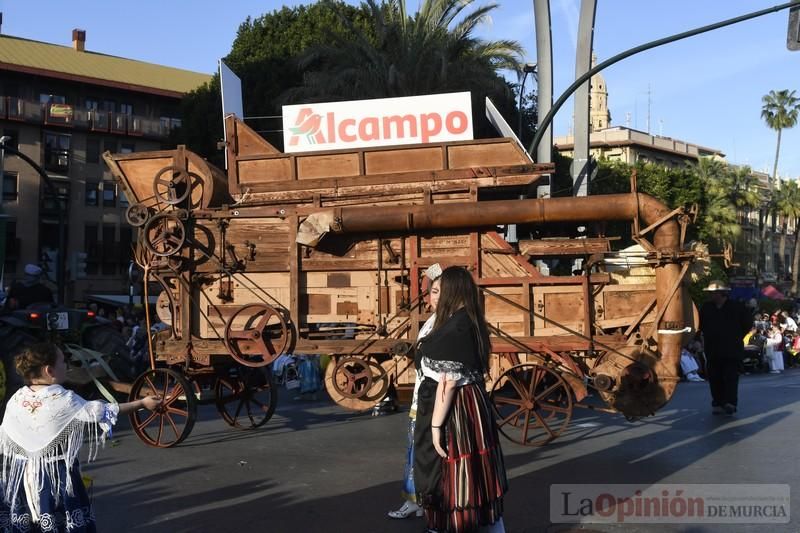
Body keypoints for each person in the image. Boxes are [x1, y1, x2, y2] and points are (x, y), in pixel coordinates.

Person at [0, 342, 161, 531]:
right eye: (62, 362)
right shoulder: (64, 399)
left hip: (21, 475)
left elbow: (5, 434)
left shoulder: (17, 398)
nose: (66, 366)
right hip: (56, 476)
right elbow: (100, 411)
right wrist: (141, 403)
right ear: (49, 370)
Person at [413, 266, 508, 533]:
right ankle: (487, 525)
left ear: (451, 292)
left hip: (457, 409)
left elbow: (449, 381)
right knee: (475, 468)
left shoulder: (457, 326)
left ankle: (455, 525)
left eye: (436, 292)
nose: (432, 298)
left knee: (453, 468)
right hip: (472, 403)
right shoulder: (469, 319)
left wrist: (435, 427)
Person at [388, 263, 441, 520]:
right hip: (425, 396)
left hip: (429, 400)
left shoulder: (441, 322)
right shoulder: (434, 320)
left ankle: (418, 501)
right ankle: (421, 500)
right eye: (432, 291)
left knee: (418, 452)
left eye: (438, 291)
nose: (432, 297)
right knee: (418, 451)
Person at [698, 280, 752, 416]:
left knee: (731, 377)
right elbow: (700, 324)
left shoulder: (737, 307)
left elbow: (747, 324)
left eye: (713, 293)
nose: (711, 295)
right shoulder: (706, 308)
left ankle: (730, 403)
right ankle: (717, 402)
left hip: (731, 349)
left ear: (721, 293)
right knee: (715, 377)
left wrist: (736, 335)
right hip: (713, 349)